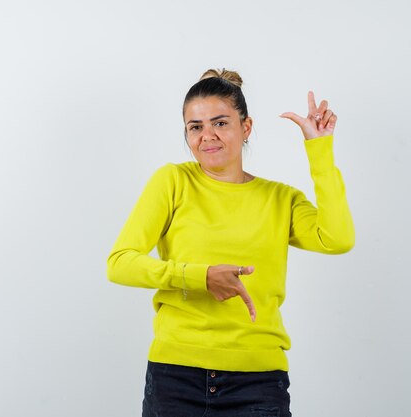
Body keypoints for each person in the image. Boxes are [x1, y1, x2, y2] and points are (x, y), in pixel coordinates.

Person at [106, 68, 354, 417]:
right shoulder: (172, 181)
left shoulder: (280, 199)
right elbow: (120, 263)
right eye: (196, 127)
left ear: (246, 127)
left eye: (220, 123)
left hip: (258, 381)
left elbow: (337, 239)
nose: (207, 136)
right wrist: (200, 276)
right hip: (175, 376)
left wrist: (320, 150)